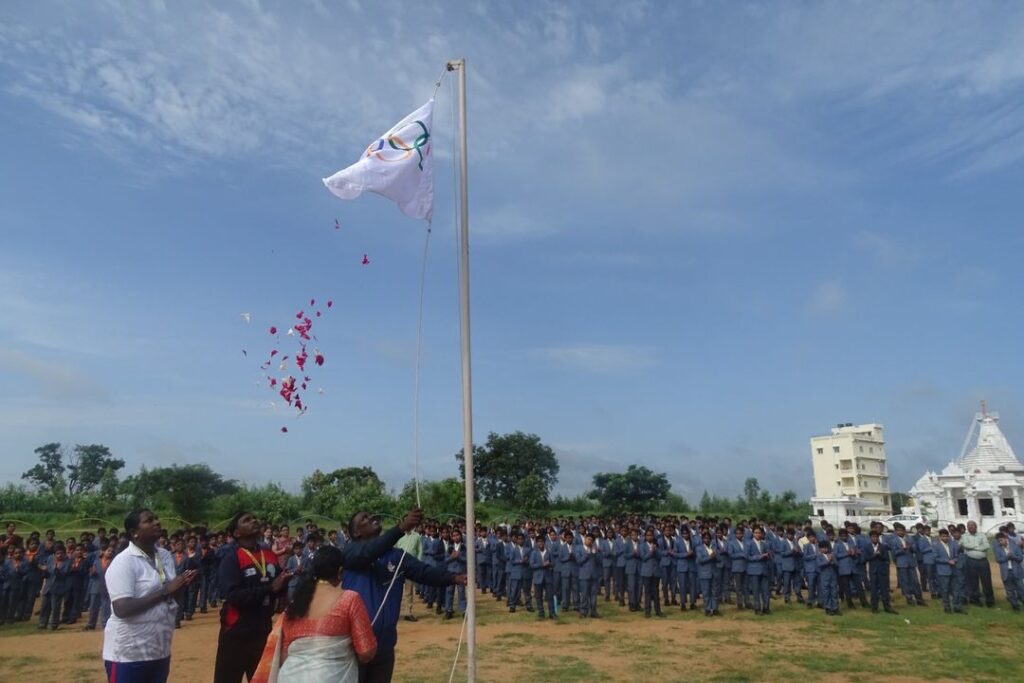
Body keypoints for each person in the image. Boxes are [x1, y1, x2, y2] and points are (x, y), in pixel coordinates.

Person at [341, 508, 466, 683]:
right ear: (355, 532)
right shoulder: (350, 551)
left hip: (384, 645)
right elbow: (368, 553)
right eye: (365, 518)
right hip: (353, 646)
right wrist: (401, 528)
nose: (372, 517)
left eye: (371, 515)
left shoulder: (396, 556)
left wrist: (453, 578)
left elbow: (424, 572)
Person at [251, 545, 376, 683]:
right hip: (331, 676)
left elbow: (284, 653)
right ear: (340, 571)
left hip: (290, 676)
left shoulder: (295, 604)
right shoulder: (349, 599)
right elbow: (366, 652)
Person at [102, 509, 198, 683]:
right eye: (149, 520)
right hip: (129, 653)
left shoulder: (165, 555)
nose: (157, 522)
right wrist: (165, 591)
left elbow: (172, 598)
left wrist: (181, 585)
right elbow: (122, 609)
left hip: (159, 648)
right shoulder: (124, 562)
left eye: (156, 518)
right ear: (134, 532)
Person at [215, 512, 293, 683]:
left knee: (261, 679)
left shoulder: (270, 555)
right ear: (237, 533)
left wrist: (285, 582)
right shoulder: (232, 558)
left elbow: (277, 587)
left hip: (263, 631)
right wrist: (269, 589)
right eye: (247, 520)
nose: (254, 521)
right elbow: (233, 595)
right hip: (236, 632)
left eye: (255, 518)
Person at [961, 520, 995, 607]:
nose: (971, 527)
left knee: (986, 581)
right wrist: (979, 547)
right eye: (969, 526)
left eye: (973, 526)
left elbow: (987, 546)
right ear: (967, 528)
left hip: (983, 561)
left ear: (976, 527)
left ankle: (989, 601)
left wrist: (973, 547)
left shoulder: (982, 535)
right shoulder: (964, 536)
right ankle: (975, 600)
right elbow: (965, 545)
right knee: (973, 581)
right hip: (970, 561)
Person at [993, 532, 1023, 611]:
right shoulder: (998, 549)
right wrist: (1007, 557)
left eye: (1001, 540)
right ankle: (1015, 606)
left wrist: (1013, 556)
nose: (1000, 542)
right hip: (1006, 572)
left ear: (1006, 539)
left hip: (1017, 571)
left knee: (1021, 589)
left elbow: (1020, 558)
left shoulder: (1015, 546)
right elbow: (998, 560)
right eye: (999, 541)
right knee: (1009, 591)